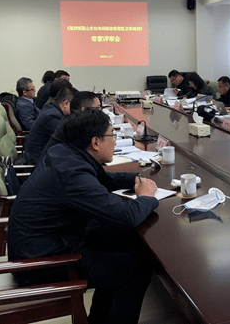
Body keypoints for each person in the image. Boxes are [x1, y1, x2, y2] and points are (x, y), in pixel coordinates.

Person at [8, 109, 158, 324]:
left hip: (47, 242)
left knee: (122, 240)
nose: (115, 142)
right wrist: (147, 198)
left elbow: (101, 179)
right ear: (95, 142)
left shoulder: (63, 153)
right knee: (137, 268)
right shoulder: (72, 173)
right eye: (111, 135)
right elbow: (127, 216)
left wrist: (136, 178)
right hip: (43, 263)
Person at [38, 91, 102, 160]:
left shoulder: (70, 120)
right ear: (84, 110)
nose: (100, 112)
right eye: (97, 108)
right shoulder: (74, 127)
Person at [24, 87, 76, 165]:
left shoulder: (51, 108)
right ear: (66, 103)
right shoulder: (52, 117)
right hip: (38, 163)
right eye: (74, 106)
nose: (75, 110)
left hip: (41, 157)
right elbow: (69, 141)